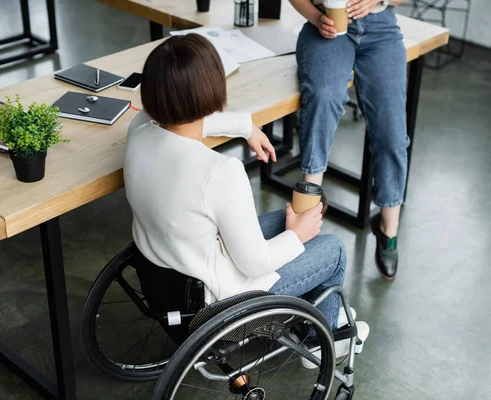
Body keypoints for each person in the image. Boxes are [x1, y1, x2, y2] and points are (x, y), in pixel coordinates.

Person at [123, 34, 369, 362]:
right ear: (213, 92)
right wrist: (297, 236)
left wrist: (246, 127)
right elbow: (254, 263)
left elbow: (184, 120)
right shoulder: (219, 171)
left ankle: (313, 312)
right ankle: (319, 339)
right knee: (331, 249)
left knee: (283, 224)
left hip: (168, 284)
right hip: (216, 309)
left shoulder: (138, 129)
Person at [289, 0, 408, 279]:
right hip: (324, 25)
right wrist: (317, 17)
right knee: (323, 96)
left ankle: (388, 229)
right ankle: (308, 205)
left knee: (391, 129)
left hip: (381, 30)